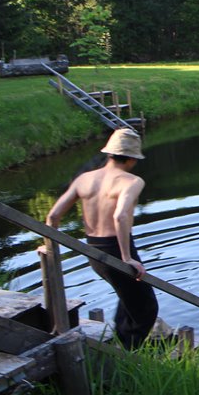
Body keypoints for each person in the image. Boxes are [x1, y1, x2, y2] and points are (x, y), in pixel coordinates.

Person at [44, 128, 158, 349]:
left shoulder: (84, 179)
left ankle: (120, 342)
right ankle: (125, 356)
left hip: (93, 250)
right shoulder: (131, 181)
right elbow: (121, 215)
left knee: (128, 297)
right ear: (133, 159)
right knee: (146, 307)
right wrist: (126, 257)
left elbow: (53, 216)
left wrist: (50, 246)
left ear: (109, 154)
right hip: (117, 248)